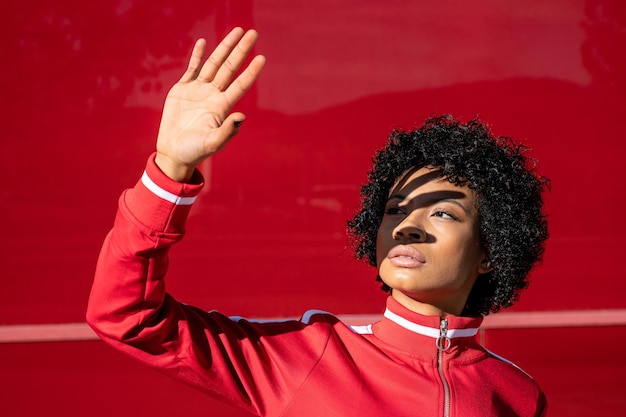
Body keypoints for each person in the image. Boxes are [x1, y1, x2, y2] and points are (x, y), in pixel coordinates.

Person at [87, 27, 549, 417]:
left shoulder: (518, 394)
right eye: (395, 209)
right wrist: (169, 169)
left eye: (444, 212)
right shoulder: (309, 356)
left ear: (491, 249)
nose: (407, 226)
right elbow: (127, 318)